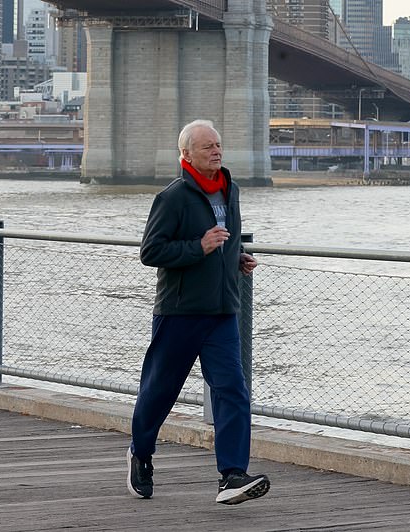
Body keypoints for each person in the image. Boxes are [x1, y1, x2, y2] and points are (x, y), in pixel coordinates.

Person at [126, 119, 270, 505]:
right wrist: (199, 248)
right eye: (207, 147)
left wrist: (235, 258)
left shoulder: (230, 191)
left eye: (218, 144)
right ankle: (140, 453)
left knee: (233, 391)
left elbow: (224, 240)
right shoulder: (172, 197)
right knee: (160, 391)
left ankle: (232, 475)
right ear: (186, 155)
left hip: (223, 311)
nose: (216, 151)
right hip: (180, 312)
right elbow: (151, 252)